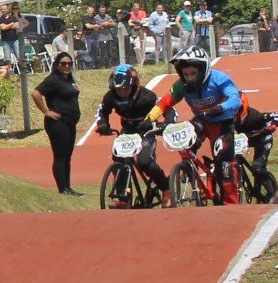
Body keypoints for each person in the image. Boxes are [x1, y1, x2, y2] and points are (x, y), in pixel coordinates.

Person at [153, 47, 245, 204]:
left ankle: (231, 205)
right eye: (186, 74)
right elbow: (165, 103)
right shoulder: (181, 85)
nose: (189, 78)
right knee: (184, 146)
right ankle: (194, 176)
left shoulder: (219, 78)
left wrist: (220, 108)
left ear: (203, 70)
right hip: (201, 121)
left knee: (224, 165)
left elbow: (235, 98)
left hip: (223, 122)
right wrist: (149, 119)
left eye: (193, 74)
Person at [93, 63, 168, 199]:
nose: (121, 92)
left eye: (125, 89)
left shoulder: (147, 96)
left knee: (145, 162)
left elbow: (166, 107)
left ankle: (166, 189)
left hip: (146, 131)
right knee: (121, 160)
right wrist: (103, 123)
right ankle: (123, 197)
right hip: (127, 131)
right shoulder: (110, 96)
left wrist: (166, 124)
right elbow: (102, 111)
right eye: (118, 89)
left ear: (134, 85)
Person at [31, 50, 84, 196]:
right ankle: (62, 189)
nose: (67, 66)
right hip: (57, 123)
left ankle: (68, 187)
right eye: (63, 63)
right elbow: (36, 93)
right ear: (57, 65)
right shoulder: (53, 79)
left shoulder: (69, 79)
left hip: (69, 122)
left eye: (69, 63)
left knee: (67, 156)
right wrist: (46, 111)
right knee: (60, 156)